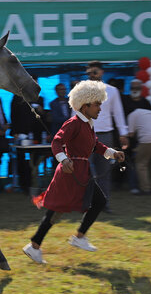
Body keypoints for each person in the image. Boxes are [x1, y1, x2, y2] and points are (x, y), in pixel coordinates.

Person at [23, 80, 125, 264]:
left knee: (66, 209)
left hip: (81, 173)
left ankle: (41, 244)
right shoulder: (74, 122)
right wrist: (64, 159)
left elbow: (95, 146)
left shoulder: (88, 124)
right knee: (57, 211)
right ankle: (41, 245)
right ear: (85, 105)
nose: (100, 109)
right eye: (97, 105)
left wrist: (113, 153)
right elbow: (56, 142)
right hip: (69, 174)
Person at [86, 61, 128, 213]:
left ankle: (104, 204)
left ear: (102, 72)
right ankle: (88, 204)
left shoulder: (112, 91)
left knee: (104, 172)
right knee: (85, 172)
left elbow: (118, 113)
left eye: (95, 72)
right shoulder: (80, 91)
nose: (92, 75)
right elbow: (74, 113)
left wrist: (123, 133)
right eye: (89, 72)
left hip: (106, 135)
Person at [121, 79, 151, 194]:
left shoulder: (145, 103)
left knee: (142, 162)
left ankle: (143, 184)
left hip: (143, 137)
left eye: (137, 88)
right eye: (133, 88)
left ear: (141, 89)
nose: (135, 90)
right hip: (128, 137)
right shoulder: (124, 101)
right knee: (129, 161)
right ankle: (132, 185)